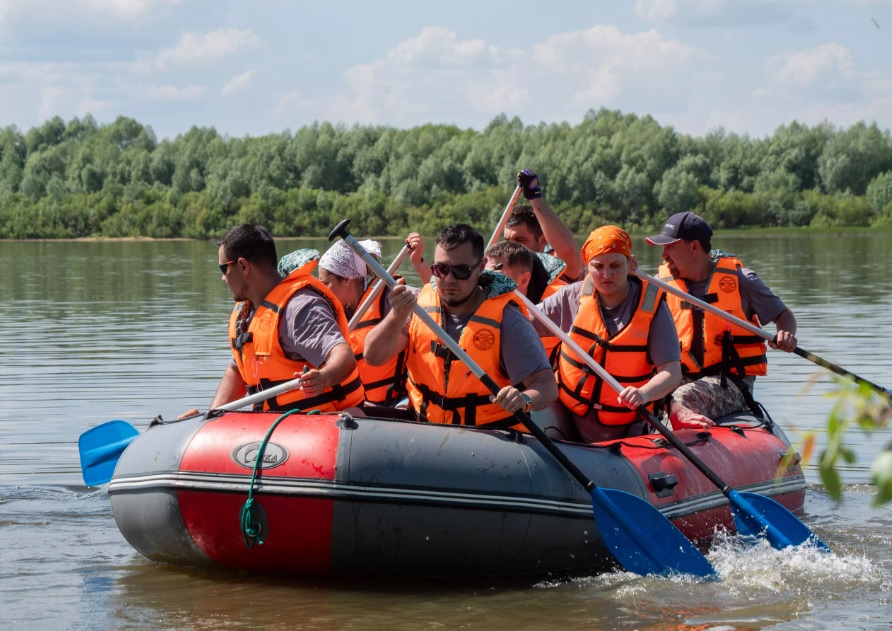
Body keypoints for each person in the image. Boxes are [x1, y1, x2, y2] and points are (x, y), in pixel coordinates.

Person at [364, 223, 558, 430]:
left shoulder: (508, 319)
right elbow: (374, 357)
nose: (449, 279)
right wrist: (396, 314)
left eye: (461, 271)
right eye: (441, 269)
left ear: (481, 267)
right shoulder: (419, 307)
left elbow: (546, 387)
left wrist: (524, 398)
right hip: (424, 427)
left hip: (488, 437)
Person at [646, 211, 798, 428]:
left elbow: (784, 316)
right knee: (640, 390)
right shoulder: (660, 283)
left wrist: (786, 333)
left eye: (670, 246)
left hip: (730, 383)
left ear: (694, 247)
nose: (664, 255)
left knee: (681, 399)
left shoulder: (743, 280)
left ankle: (678, 451)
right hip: (680, 375)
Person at [533, 225, 682, 443]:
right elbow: (522, 329)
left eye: (615, 265)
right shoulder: (570, 297)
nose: (606, 274)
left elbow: (672, 372)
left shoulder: (653, 308)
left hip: (627, 424)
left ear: (631, 263)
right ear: (587, 266)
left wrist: (645, 393)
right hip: (567, 414)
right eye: (598, 266)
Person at [207, 223, 365, 413]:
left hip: (325, 422)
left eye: (224, 269)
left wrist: (324, 377)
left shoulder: (300, 308)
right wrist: (211, 416)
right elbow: (238, 370)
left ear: (242, 265)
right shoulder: (245, 312)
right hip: (278, 427)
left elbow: (344, 357)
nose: (223, 278)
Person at [315, 235, 424, 407]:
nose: (322, 291)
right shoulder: (336, 310)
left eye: (326, 284)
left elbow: (436, 302)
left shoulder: (391, 298)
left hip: (395, 404)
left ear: (346, 280)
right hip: (359, 402)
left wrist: (419, 264)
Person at [504, 169, 584, 285]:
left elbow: (568, 251)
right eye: (507, 241)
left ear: (542, 241)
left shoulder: (555, 269)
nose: (510, 248)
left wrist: (534, 197)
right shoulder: (496, 270)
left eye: (520, 240)